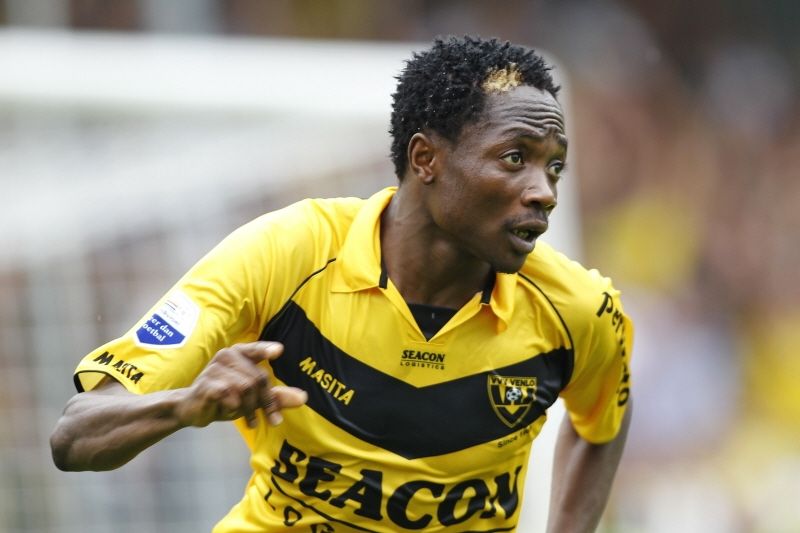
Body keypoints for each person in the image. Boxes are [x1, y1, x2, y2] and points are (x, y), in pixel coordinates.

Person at [50, 35, 633, 532]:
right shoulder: (285, 254)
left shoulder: (578, 309)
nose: (545, 192)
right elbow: (76, 437)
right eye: (514, 158)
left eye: (555, 166)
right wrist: (184, 405)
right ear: (426, 159)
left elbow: (601, 424)